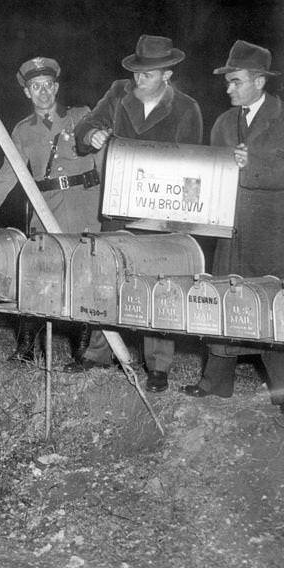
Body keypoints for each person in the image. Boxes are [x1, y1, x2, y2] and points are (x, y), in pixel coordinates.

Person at [72, 35, 203, 391]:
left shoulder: (187, 109)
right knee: (107, 276)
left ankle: (158, 365)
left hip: (160, 211)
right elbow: (82, 129)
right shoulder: (117, 93)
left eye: (148, 73)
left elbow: (193, 167)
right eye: (137, 72)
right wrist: (93, 135)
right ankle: (99, 353)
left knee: (160, 284)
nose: (139, 79)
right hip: (117, 206)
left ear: (168, 75)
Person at [0, 57, 102, 366]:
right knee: (38, 277)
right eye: (35, 87)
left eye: (47, 86)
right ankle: (25, 349)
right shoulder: (23, 131)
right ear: (27, 93)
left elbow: (105, 156)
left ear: (56, 87)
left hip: (85, 208)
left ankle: (83, 352)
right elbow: (7, 174)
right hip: (47, 209)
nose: (42, 93)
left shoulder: (81, 116)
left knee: (85, 278)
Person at [180, 40, 284, 414]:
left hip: (270, 234)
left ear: (259, 82)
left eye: (236, 81)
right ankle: (215, 384)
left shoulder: (282, 117)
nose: (229, 88)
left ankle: (281, 390)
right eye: (228, 82)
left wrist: (251, 165)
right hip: (229, 232)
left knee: (271, 310)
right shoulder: (224, 123)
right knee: (225, 303)